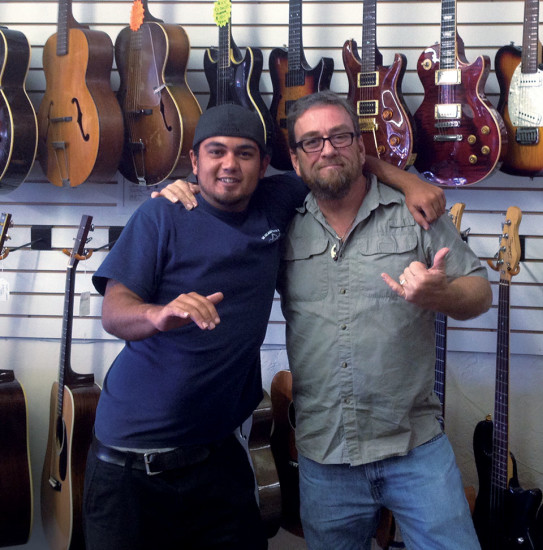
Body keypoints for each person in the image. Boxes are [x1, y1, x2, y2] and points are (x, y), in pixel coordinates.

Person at [86, 101, 443, 550]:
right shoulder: (162, 215)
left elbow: (337, 156)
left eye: (244, 153)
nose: (229, 164)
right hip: (133, 465)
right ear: (194, 161)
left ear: (265, 163)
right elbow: (115, 311)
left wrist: (409, 181)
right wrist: (157, 315)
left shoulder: (277, 202)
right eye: (215, 152)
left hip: (220, 457)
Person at [274, 90, 492, 549]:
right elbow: (222, 192)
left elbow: (479, 292)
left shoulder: (415, 212)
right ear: (294, 159)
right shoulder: (280, 224)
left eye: (340, 136)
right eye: (312, 141)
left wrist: (443, 295)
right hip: (325, 456)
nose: (327, 149)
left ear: (360, 145)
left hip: (414, 447)